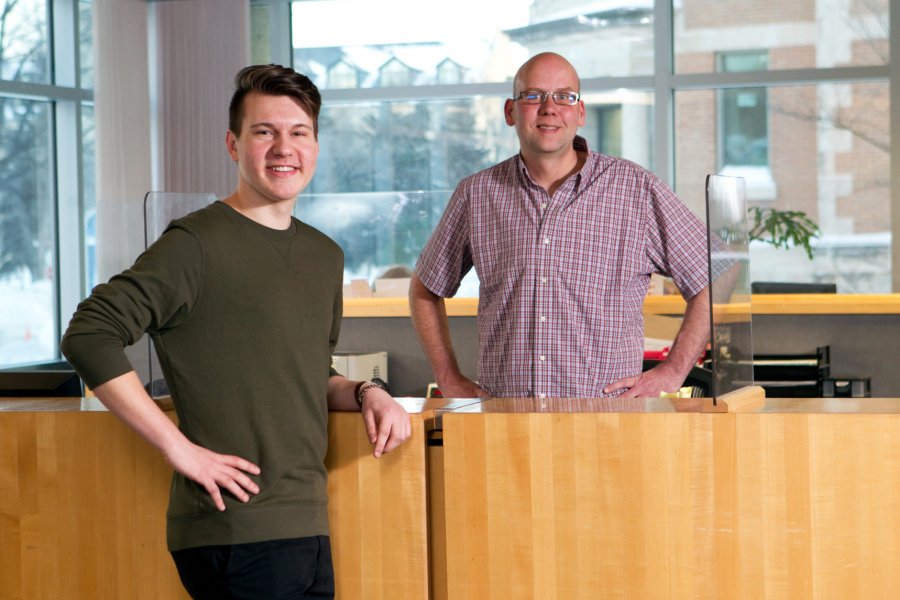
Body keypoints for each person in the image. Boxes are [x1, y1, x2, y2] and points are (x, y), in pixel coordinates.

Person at [61, 64, 411, 600]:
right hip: (234, 532)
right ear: (233, 144)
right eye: (263, 132)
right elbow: (89, 334)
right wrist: (178, 449)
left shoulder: (323, 255)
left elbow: (307, 373)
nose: (282, 148)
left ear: (316, 145)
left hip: (305, 527)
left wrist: (368, 392)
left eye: (298, 132)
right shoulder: (195, 244)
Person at [410, 52, 711, 400]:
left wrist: (673, 372)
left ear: (580, 113)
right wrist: (449, 378)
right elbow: (424, 290)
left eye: (564, 96)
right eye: (534, 95)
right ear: (511, 111)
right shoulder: (476, 195)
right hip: (505, 425)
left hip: (607, 424)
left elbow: (713, 275)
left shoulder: (635, 190)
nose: (549, 108)